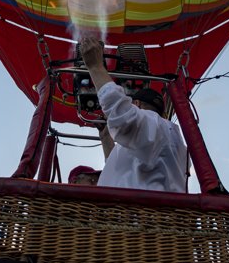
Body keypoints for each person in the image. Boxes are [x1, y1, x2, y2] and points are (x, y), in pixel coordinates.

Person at [80, 37, 188, 192]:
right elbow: (123, 172)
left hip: (139, 213)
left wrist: (96, 67)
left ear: (136, 105)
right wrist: (105, 138)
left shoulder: (156, 125)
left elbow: (124, 120)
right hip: (145, 211)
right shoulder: (160, 137)